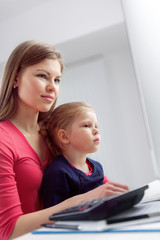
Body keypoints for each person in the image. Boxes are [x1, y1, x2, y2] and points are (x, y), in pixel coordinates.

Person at [0, 40, 129, 240]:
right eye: (42, 76)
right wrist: (84, 200)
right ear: (15, 78)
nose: (52, 87)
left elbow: (91, 182)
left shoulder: (55, 133)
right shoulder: (3, 139)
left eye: (57, 80)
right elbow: (8, 230)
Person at [41, 101, 108, 207]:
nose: (96, 131)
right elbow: (54, 213)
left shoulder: (97, 167)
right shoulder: (58, 173)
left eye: (96, 126)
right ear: (64, 136)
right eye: (87, 125)